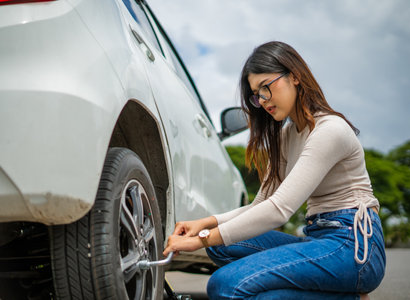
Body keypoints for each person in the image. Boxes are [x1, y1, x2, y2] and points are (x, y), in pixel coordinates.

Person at [162, 41, 386, 299]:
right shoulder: (287, 135)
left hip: (355, 247)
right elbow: (261, 204)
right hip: (318, 238)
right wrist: (205, 224)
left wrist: (201, 239)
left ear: (295, 77)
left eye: (266, 87)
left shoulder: (330, 130)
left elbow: (279, 209)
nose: (263, 100)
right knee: (222, 247)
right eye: (257, 94)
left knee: (225, 286)